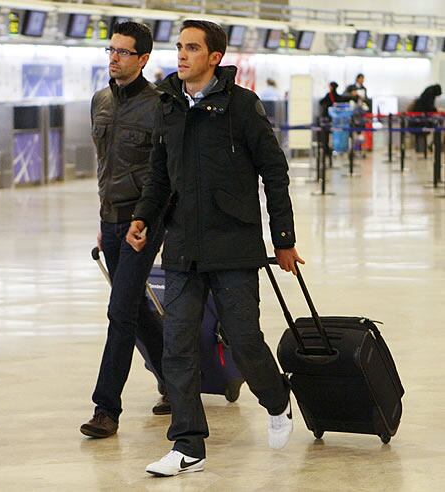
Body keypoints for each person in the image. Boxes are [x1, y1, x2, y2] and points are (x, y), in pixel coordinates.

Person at [125, 20, 304, 477]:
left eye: (192, 48)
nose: (181, 55)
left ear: (215, 57)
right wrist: (143, 217)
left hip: (234, 245)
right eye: (179, 46)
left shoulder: (242, 107)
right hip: (183, 245)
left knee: (243, 339)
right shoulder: (169, 107)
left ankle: (277, 398)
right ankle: (188, 445)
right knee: (178, 346)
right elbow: (160, 174)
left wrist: (283, 238)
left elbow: (274, 172)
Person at [80, 21, 169, 440]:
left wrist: (148, 220)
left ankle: (106, 408)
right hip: (111, 221)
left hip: (142, 224)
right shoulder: (100, 102)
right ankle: (174, 381)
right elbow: (104, 168)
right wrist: (103, 219)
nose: (114, 58)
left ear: (143, 59)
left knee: (120, 311)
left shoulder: (160, 106)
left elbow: (164, 173)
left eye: (123, 52)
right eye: (110, 50)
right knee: (136, 308)